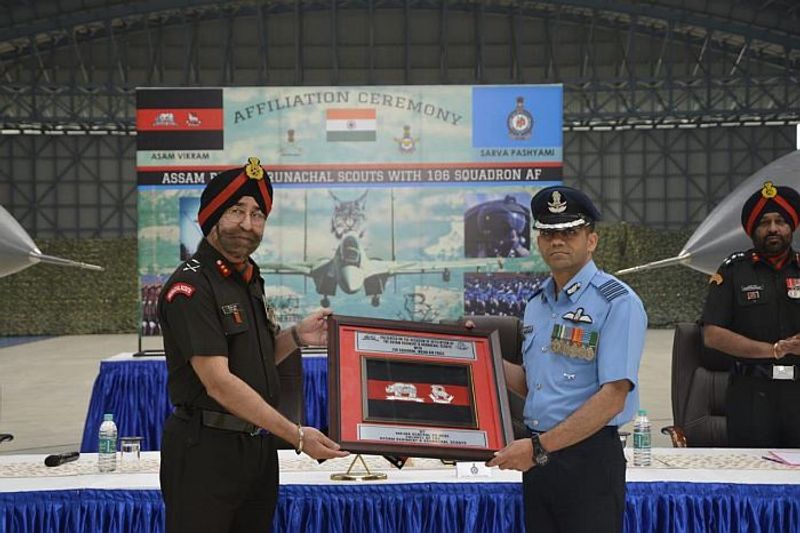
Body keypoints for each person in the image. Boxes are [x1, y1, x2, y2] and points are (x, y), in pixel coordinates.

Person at [157, 157, 348, 533]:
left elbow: (251, 360)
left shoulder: (247, 277)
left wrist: (295, 337)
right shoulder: (191, 287)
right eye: (236, 210)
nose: (248, 223)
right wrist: (295, 435)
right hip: (206, 453)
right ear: (211, 217)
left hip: (256, 450)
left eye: (258, 214)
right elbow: (218, 382)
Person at [485, 185, 647, 533]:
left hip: (587, 460)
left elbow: (613, 396)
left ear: (592, 241)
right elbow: (536, 385)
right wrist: (481, 360)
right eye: (549, 233)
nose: (558, 241)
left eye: (570, 232)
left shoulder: (617, 303)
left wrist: (539, 448)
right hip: (539, 459)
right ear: (540, 242)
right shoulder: (536, 304)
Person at [702, 181, 800, 447]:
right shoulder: (733, 272)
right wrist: (775, 350)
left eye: (780, 221)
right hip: (750, 396)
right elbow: (712, 335)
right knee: (749, 472)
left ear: (792, 226)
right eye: (764, 222)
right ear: (752, 230)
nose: (772, 229)